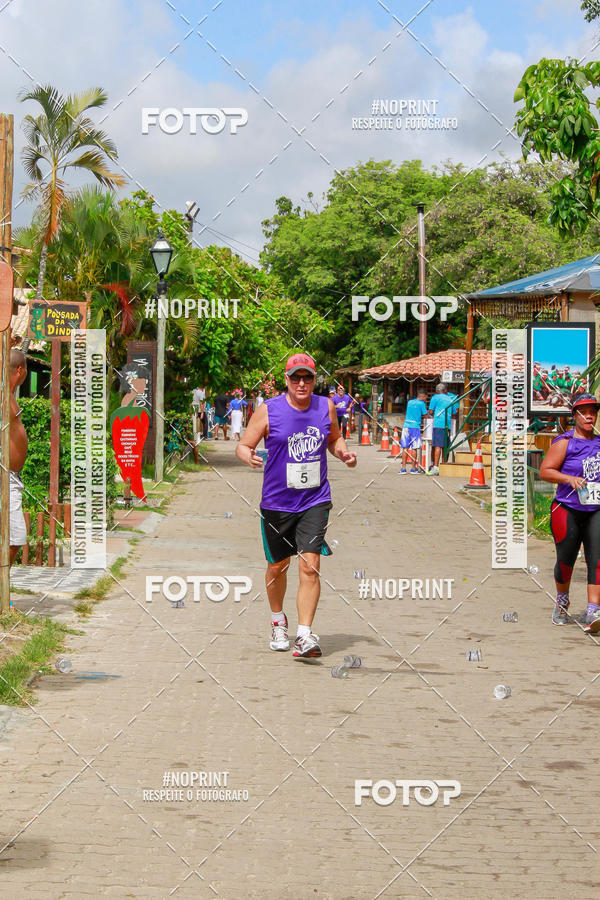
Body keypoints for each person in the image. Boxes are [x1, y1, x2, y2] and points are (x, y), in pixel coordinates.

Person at [236, 352, 357, 659]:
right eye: (296, 378)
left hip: (315, 500)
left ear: (315, 380)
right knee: (278, 567)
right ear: (286, 380)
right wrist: (246, 455)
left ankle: (304, 634)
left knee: (310, 566)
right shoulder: (268, 410)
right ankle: (278, 621)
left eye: (308, 378)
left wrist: (342, 452)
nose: (302, 383)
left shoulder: (325, 406)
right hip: (277, 502)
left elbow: (334, 438)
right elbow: (244, 444)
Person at [540, 394, 600, 633]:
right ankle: (562, 599)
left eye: (592, 411)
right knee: (566, 558)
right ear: (574, 416)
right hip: (567, 508)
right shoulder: (565, 443)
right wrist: (569, 479)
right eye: (583, 412)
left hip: (596, 509)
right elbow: (545, 471)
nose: (589, 416)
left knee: (597, 559)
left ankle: (593, 610)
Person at [9, 349, 28, 565]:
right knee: (16, 536)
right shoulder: (4, 393)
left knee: (13, 536)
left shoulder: (10, 394)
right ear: (21, 370)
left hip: (12, 476)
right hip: (5, 476)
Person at [427, 383, 458, 475]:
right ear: (445, 390)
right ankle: (444, 465)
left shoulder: (435, 397)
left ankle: (435, 467)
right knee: (445, 445)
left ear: (437, 391)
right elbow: (454, 412)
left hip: (438, 424)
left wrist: (430, 413)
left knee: (437, 445)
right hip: (447, 424)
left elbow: (431, 411)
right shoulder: (450, 399)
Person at [398, 391, 428, 475]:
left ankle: (403, 468)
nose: (426, 399)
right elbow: (425, 415)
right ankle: (413, 468)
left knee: (405, 447)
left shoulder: (410, 402)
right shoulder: (422, 404)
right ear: (423, 396)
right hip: (415, 427)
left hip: (406, 426)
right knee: (414, 448)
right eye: (426, 397)